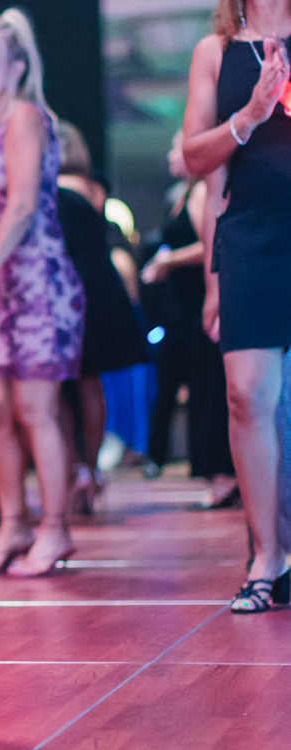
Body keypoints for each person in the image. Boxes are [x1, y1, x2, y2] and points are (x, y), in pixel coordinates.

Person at [182, 0, 291, 613]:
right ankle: (267, 555)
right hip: (249, 236)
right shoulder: (215, 52)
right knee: (248, 395)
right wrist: (249, 113)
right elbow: (197, 160)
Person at [0, 9, 84, 577]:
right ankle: (14, 524)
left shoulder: (27, 117)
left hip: (35, 280)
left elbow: (24, 204)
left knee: (37, 409)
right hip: (0, 283)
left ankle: (55, 528)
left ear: (15, 65)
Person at [56, 121, 146, 513]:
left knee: (63, 386)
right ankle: (89, 469)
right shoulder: (95, 187)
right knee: (90, 383)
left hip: (67, 290)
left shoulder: (54, 188)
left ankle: (78, 469)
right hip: (97, 287)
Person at [141, 130, 234, 504]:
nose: (170, 156)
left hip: (201, 299)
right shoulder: (180, 196)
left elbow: (208, 244)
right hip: (186, 303)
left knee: (210, 388)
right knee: (200, 389)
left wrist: (167, 260)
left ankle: (223, 477)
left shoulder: (199, 193)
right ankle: (217, 474)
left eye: (177, 148)